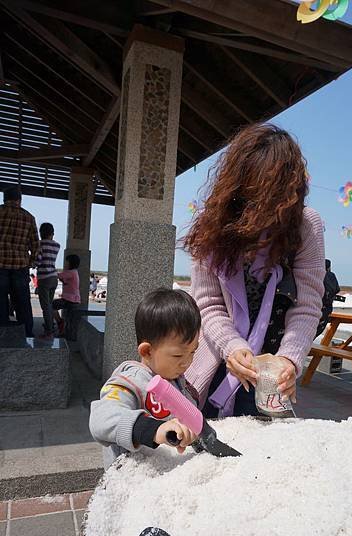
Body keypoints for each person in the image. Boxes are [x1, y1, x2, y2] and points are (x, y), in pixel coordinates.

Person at [184, 122, 325, 418]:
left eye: (274, 199)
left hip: (271, 371)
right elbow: (207, 303)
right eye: (252, 197)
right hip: (217, 363)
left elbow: (307, 305)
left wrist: (290, 359)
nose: (261, 210)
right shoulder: (213, 226)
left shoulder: (306, 226)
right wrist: (232, 347)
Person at [89, 288, 200, 469]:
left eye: (193, 351)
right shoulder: (130, 382)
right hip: (132, 477)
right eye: (178, 355)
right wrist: (154, 429)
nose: (187, 362)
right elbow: (101, 419)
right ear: (147, 351)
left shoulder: (175, 379)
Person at [0, 186, 39, 336]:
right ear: (19, 200)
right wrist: (30, 262)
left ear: (4, 198)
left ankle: (2, 335)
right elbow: (36, 245)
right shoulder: (29, 217)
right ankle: (27, 334)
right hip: (20, 267)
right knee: (23, 303)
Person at [36, 222, 60, 340]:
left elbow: (39, 261)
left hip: (43, 278)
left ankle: (49, 331)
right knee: (49, 305)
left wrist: (33, 263)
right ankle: (50, 326)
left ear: (41, 233)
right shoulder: (57, 246)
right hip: (54, 278)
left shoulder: (39, 245)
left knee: (45, 306)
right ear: (52, 233)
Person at [52, 254, 81, 336]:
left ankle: (60, 322)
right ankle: (63, 329)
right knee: (69, 319)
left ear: (71, 263)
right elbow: (65, 281)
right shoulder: (74, 272)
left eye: (67, 262)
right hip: (73, 299)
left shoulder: (71, 272)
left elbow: (57, 275)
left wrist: (51, 270)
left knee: (51, 306)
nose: (66, 264)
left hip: (70, 300)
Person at [316, 259, 340, 337]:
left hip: (315, 307)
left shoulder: (316, 273)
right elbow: (337, 289)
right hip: (326, 310)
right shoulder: (331, 275)